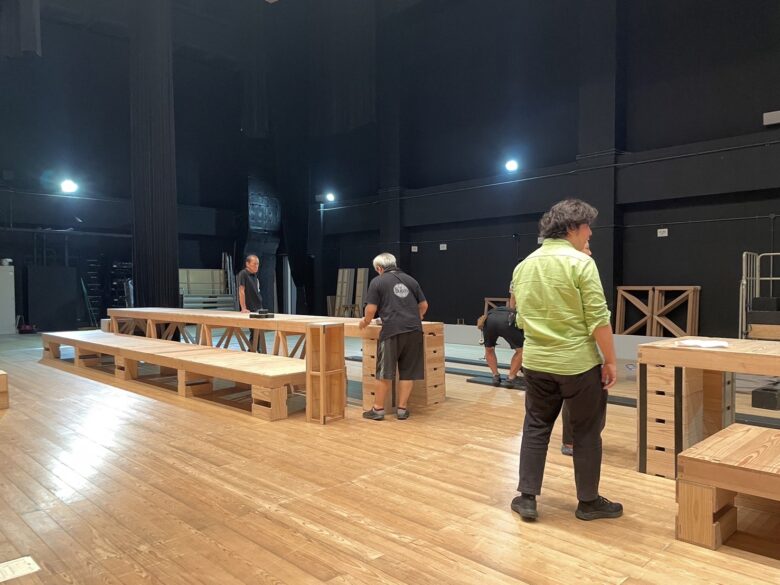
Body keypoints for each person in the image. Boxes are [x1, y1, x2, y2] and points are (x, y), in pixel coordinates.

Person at [510, 199, 622, 522]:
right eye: (587, 227)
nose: (590, 233)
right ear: (572, 228)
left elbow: (520, 318)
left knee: (535, 426)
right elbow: (598, 319)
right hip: (578, 365)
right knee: (586, 432)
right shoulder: (582, 264)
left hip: (537, 362)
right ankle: (588, 502)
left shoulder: (524, 266)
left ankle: (527, 498)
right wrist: (610, 361)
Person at [359, 252, 429, 421]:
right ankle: (402, 410)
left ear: (379, 268)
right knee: (408, 372)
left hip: (392, 331)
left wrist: (365, 322)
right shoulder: (411, 280)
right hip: (414, 331)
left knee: (384, 372)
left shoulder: (378, 281)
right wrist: (417, 317)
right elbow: (424, 305)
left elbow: (371, 309)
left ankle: (378, 409)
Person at [560, 241, 591, 456]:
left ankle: (575, 440)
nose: (590, 250)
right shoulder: (578, 267)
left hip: (577, 347)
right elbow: (597, 315)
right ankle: (570, 442)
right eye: (587, 246)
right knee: (572, 399)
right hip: (572, 349)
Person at [479, 290, 524, 388]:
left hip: (489, 319)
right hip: (506, 321)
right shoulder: (518, 314)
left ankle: (495, 376)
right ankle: (511, 378)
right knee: (521, 350)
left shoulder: (505, 309)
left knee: (489, 349)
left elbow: (513, 297)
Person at [237, 254, 263, 350]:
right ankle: (253, 349)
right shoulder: (243, 274)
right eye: (254, 264)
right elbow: (241, 291)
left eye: (258, 264)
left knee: (257, 331)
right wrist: (243, 308)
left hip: (258, 307)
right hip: (250, 308)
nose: (256, 266)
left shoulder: (255, 275)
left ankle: (254, 349)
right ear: (247, 264)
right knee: (254, 330)